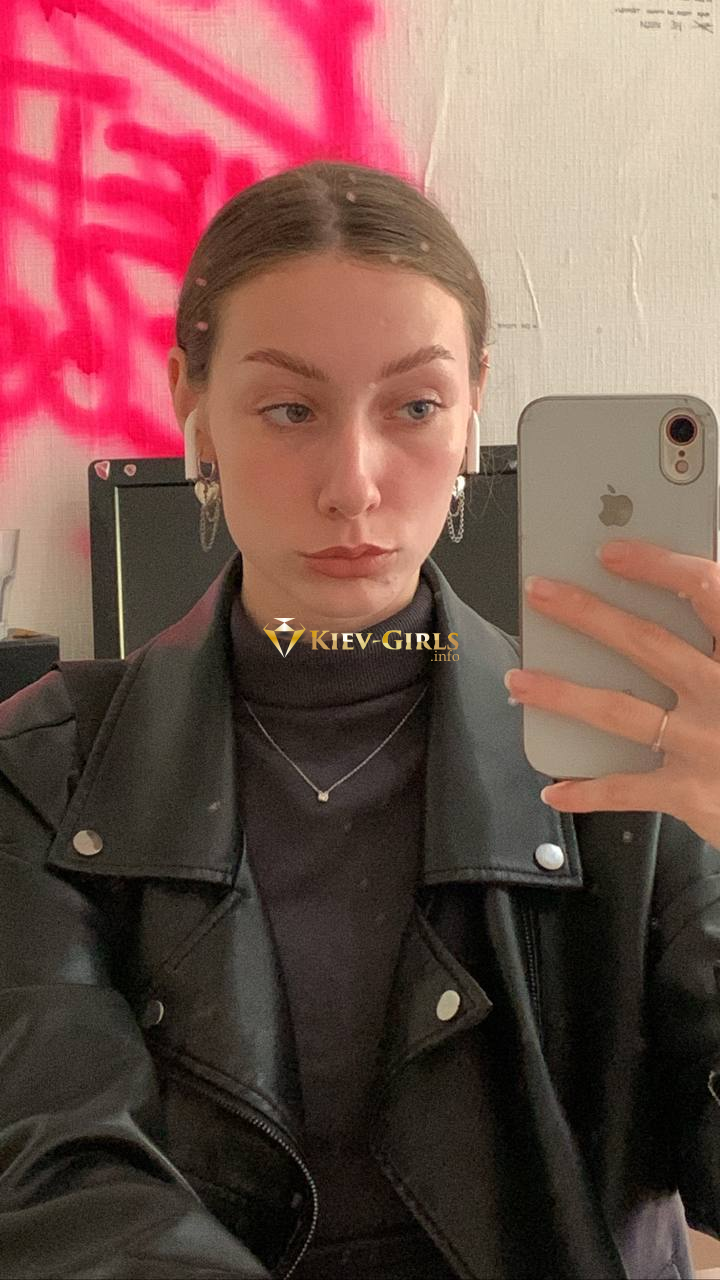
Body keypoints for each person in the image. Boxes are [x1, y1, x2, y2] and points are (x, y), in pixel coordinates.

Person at [0, 159, 718, 1280]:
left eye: (416, 407)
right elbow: (58, 1181)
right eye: (289, 409)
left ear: (475, 404)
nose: (354, 484)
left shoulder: (635, 757)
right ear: (194, 401)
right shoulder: (43, 770)